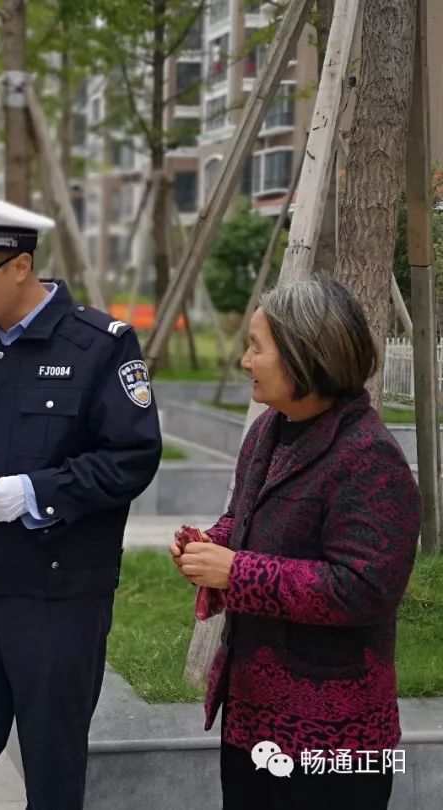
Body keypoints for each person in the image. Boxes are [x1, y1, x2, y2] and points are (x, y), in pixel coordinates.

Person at [0, 190, 163, 809]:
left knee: (51, 772)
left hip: (59, 598)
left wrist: (37, 493)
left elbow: (132, 457)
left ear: (20, 266)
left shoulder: (100, 345)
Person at [169, 278, 421, 810]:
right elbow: (244, 517)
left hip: (335, 738)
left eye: (257, 348)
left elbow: (366, 588)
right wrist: (209, 546)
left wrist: (237, 573)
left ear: (306, 356)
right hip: (252, 716)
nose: (244, 361)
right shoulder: (270, 430)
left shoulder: (369, 457)